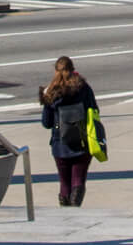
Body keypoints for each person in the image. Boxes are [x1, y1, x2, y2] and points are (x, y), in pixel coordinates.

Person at [38, 56, 97, 207]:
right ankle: (75, 207)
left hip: (60, 145)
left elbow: (46, 123)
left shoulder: (51, 92)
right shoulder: (83, 87)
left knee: (64, 182)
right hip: (82, 142)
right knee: (78, 180)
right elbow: (94, 110)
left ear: (55, 71)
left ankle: (65, 211)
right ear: (72, 69)